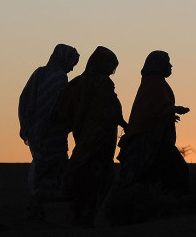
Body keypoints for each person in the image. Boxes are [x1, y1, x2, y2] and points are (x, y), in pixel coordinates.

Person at [54, 46, 127, 227]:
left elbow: (64, 111)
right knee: (100, 177)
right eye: (110, 64)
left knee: (84, 176)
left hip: (84, 137)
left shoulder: (77, 83)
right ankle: (88, 217)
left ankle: (79, 216)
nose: (112, 69)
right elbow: (111, 110)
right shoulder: (103, 84)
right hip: (100, 139)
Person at [18, 43, 80, 220]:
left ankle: (40, 203)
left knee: (44, 164)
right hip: (51, 131)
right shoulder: (59, 78)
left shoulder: (39, 73)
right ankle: (41, 203)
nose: (72, 68)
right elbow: (57, 106)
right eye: (72, 63)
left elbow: (25, 98)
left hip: (37, 129)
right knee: (52, 165)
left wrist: (28, 123)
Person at [117, 51, 190, 196]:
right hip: (150, 141)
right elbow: (155, 109)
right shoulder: (155, 83)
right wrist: (175, 109)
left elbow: (155, 109)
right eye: (167, 62)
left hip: (154, 139)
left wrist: (170, 113)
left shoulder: (153, 82)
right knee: (175, 172)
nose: (170, 66)